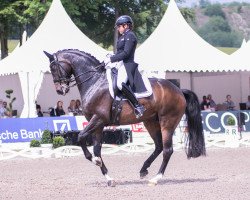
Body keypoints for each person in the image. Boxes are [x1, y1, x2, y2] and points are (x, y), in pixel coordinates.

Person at [103, 15, 146, 118]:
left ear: (125, 25)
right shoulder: (122, 37)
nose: (118, 28)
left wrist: (111, 59)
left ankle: (138, 106)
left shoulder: (130, 36)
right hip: (120, 64)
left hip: (127, 64)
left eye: (119, 26)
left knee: (120, 84)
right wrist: (112, 56)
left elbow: (126, 53)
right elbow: (120, 53)